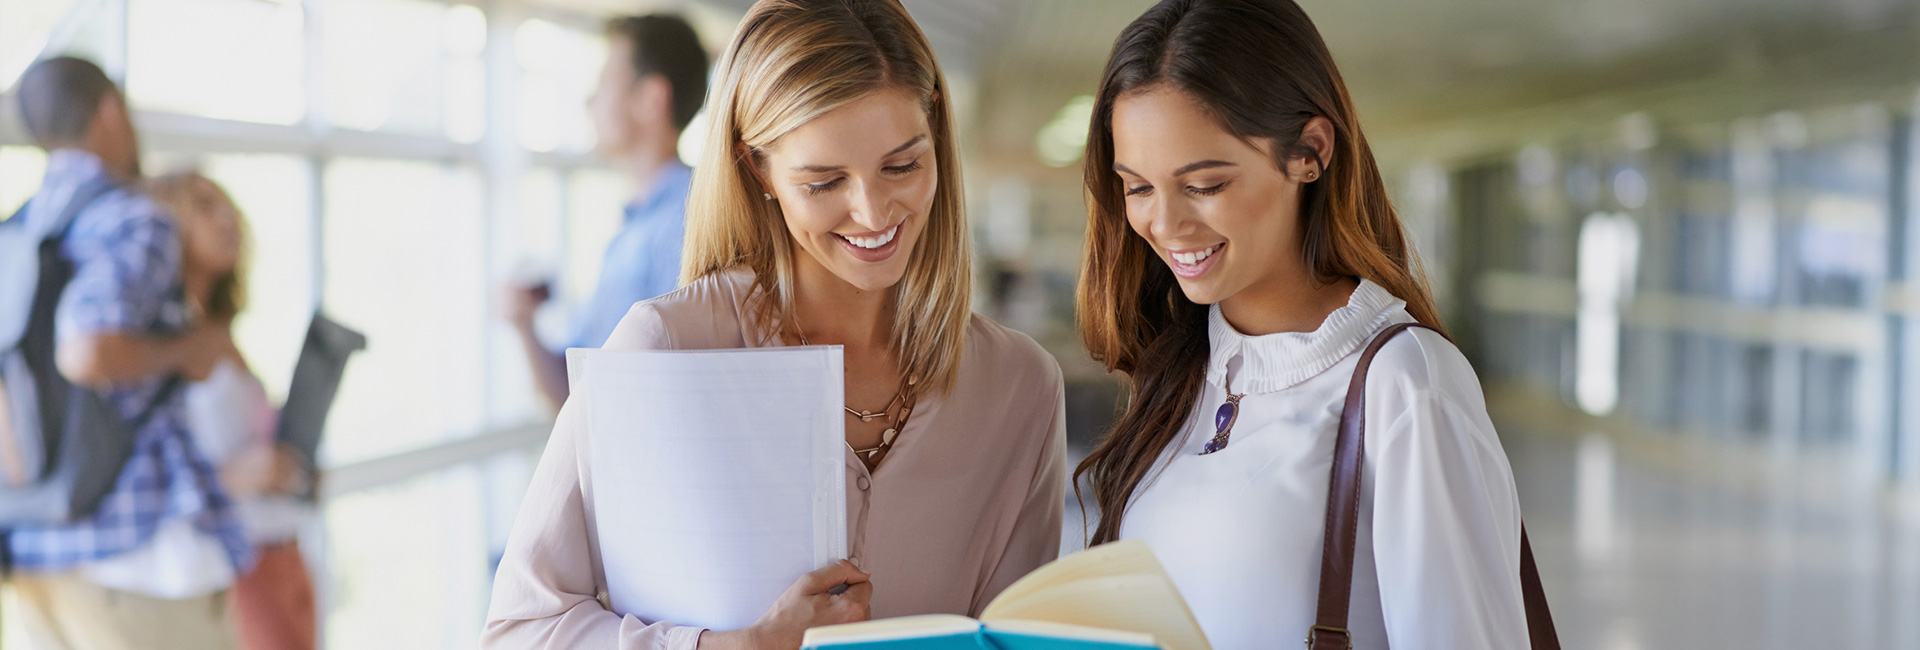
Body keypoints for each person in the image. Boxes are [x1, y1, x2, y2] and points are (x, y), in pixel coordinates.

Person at [483, 1, 1067, 648]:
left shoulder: (1019, 387)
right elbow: (520, 629)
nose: (873, 213)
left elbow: (1016, 637)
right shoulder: (667, 348)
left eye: (902, 165)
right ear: (757, 167)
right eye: (823, 182)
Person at [1073, 0, 1531, 647]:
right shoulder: (1185, 370)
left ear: (1309, 153)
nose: (1165, 225)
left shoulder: (1406, 385)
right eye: (1138, 187)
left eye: (1203, 184)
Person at [5, 56, 250, 650]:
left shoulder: (17, 231)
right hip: (136, 555)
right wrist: (189, 348)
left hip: (36, 545)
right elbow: (85, 351)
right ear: (111, 109)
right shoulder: (133, 216)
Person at [503, 14, 710, 410]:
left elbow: (676, 393)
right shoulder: (633, 230)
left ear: (651, 99)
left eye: (604, 83)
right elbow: (574, 392)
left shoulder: (688, 222)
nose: (589, 101)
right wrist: (523, 325)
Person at [148, 171, 318, 650]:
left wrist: (294, 467)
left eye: (228, 205)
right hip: (232, 564)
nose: (227, 217)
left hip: (283, 552)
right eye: (203, 204)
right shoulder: (158, 344)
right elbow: (149, 474)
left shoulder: (220, 334)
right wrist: (236, 476)